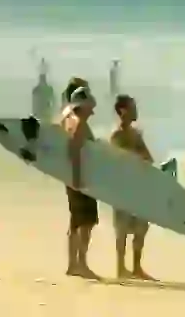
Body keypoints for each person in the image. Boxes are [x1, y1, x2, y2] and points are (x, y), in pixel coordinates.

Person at [109, 95, 155, 280]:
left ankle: (136, 267)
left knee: (141, 228)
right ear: (123, 111)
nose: (136, 111)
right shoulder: (116, 135)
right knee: (122, 230)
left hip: (138, 186)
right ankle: (121, 268)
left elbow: (148, 158)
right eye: (133, 108)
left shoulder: (136, 134)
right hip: (122, 187)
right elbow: (118, 160)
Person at [59, 80, 99, 279]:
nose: (92, 111)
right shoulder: (79, 123)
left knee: (76, 222)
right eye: (90, 107)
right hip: (80, 178)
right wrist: (78, 178)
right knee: (86, 222)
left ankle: (73, 264)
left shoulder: (67, 118)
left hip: (71, 176)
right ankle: (81, 264)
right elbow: (74, 149)